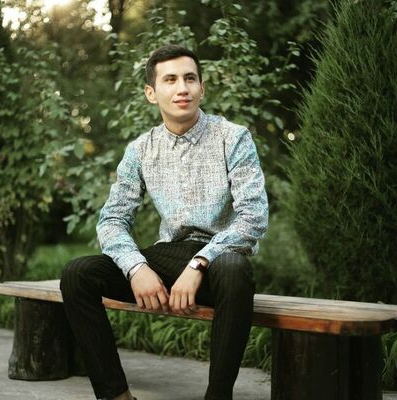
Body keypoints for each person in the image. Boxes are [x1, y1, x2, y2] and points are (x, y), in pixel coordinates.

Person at [60, 44, 268, 400]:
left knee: (234, 269)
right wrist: (135, 267)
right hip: (166, 258)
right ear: (151, 93)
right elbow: (111, 219)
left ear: (202, 87)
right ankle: (116, 395)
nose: (182, 88)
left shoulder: (232, 138)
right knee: (77, 273)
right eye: (170, 80)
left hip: (219, 265)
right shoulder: (141, 150)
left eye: (190, 78)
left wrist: (200, 262)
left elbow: (253, 216)